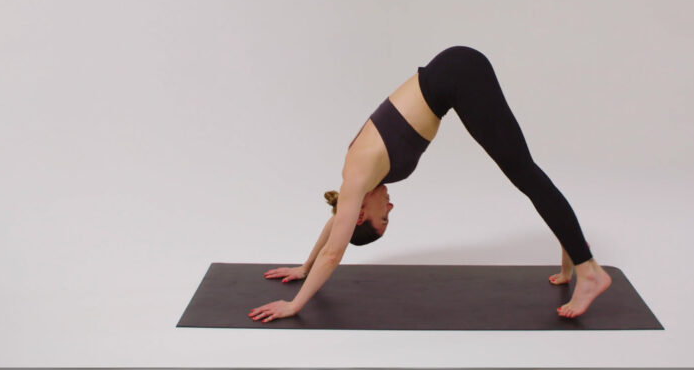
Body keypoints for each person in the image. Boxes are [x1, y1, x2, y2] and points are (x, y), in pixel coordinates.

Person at [248, 45, 610, 323]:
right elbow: (335, 224)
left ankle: (589, 271)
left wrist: (295, 304)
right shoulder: (356, 190)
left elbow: (334, 251)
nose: (390, 207)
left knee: (524, 172)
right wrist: (304, 267)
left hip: (459, 74)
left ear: (360, 215)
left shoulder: (357, 176)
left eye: (384, 217)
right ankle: (573, 252)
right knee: (524, 172)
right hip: (457, 73)